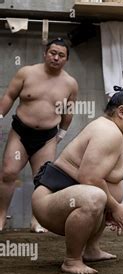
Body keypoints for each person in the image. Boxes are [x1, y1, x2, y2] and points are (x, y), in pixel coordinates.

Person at [31, 87, 123, 274]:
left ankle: (92, 249)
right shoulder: (108, 132)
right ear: (122, 112)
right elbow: (89, 178)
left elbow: (118, 175)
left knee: (107, 192)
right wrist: (115, 208)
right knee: (95, 196)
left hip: (66, 195)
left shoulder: (120, 133)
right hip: (49, 200)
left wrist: (112, 204)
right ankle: (72, 260)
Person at [0, 38, 78, 233]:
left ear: (66, 59)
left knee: (43, 180)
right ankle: (1, 216)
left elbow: (68, 112)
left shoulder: (70, 83)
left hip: (47, 137)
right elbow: (9, 95)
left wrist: (61, 134)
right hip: (20, 132)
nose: (56, 57)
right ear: (45, 53)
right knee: (8, 173)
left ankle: (38, 220)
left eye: (61, 55)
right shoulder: (26, 73)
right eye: (53, 53)